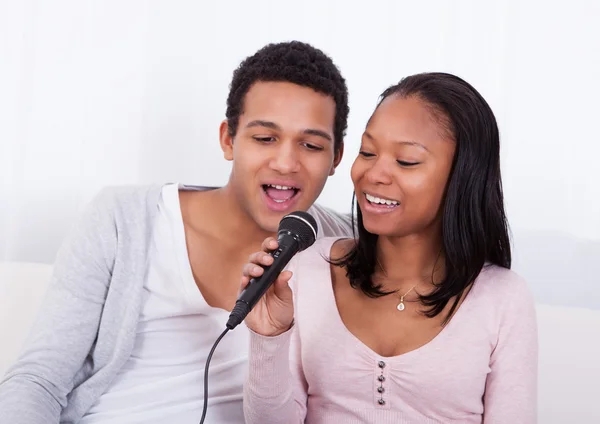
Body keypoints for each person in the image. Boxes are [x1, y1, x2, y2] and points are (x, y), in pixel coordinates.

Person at [0, 41, 354, 423]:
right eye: (265, 138)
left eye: (311, 145)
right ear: (228, 139)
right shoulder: (124, 220)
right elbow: (38, 380)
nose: (286, 162)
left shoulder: (347, 247)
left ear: (335, 157)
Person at [240, 72, 538, 423]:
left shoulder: (503, 299)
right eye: (367, 152)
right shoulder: (308, 267)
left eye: (406, 161)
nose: (374, 174)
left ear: (463, 176)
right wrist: (269, 338)